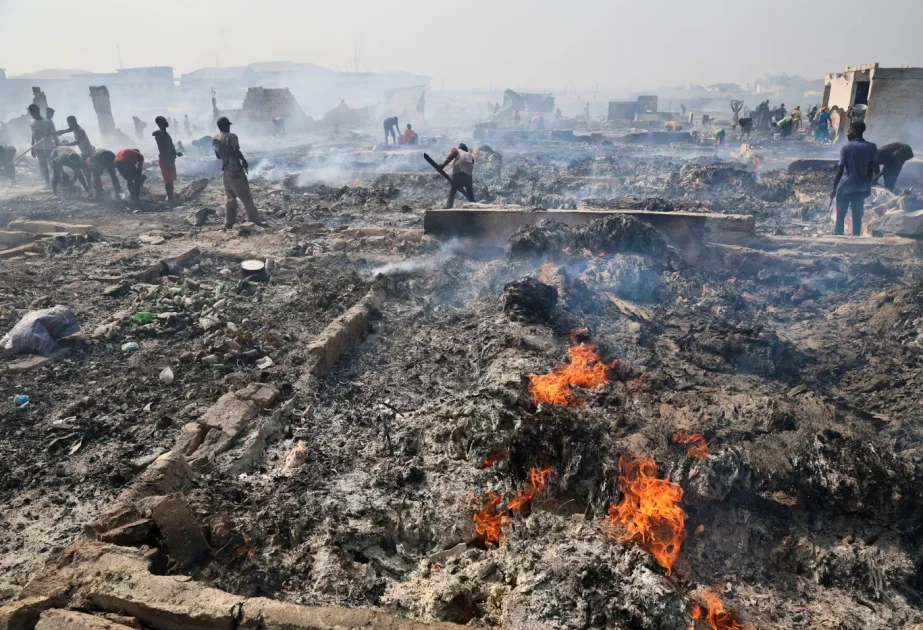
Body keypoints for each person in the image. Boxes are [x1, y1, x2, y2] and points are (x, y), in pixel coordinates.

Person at [213, 116, 262, 228]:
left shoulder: (215, 138)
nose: (229, 127)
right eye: (228, 125)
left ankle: (229, 223)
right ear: (225, 126)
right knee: (245, 195)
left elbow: (218, 156)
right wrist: (243, 160)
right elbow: (235, 150)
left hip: (225, 170)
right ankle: (255, 220)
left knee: (230, 197)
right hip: (235, 169)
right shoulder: (232, 137)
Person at [831, 121, 879, 236]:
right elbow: (874, 170)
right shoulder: (872, 147)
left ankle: (839, 235)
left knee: (841, 214)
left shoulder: (846, 148)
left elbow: (840, 170)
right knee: (857, 214)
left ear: (856, 132)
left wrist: (834, 188)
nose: (848, 134)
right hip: (861, 187)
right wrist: (868, 186)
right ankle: (856, 235)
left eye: (849, 131)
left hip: (846, 186)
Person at [153, 116, 183, 205]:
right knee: (168, 181)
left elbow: (169, 146)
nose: (167, 122)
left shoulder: (164, 134)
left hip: (170, 159)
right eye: (164, 121)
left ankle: (171, 198)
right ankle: (170, 199)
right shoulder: (160, 134)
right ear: (159, 123)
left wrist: (175, 153)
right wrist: (168, 160)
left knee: (171, 180)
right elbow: (163, 148)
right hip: (166, 160)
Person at [28, 104, 57, 186]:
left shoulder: (47, 122)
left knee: (53, 164)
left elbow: (54, 134)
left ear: (38, 111)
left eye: (34, 112)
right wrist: (32, 148)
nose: (33, 114)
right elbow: (33, 135)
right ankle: (48, 183)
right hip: (38, 147)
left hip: (48, 147)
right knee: (43, 166)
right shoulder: (31, 122)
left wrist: (57, 145)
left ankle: (58, 180)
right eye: (31, 112)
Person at [440, 142, 475, 209]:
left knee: (453, 191)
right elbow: (471, 165)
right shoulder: (470, 156)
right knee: (470, 193)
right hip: (468, 177)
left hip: (458, 174)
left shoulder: (456, 151)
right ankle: (473, 206)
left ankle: (449, 207)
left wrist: (442, 166)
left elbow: (449, 158)